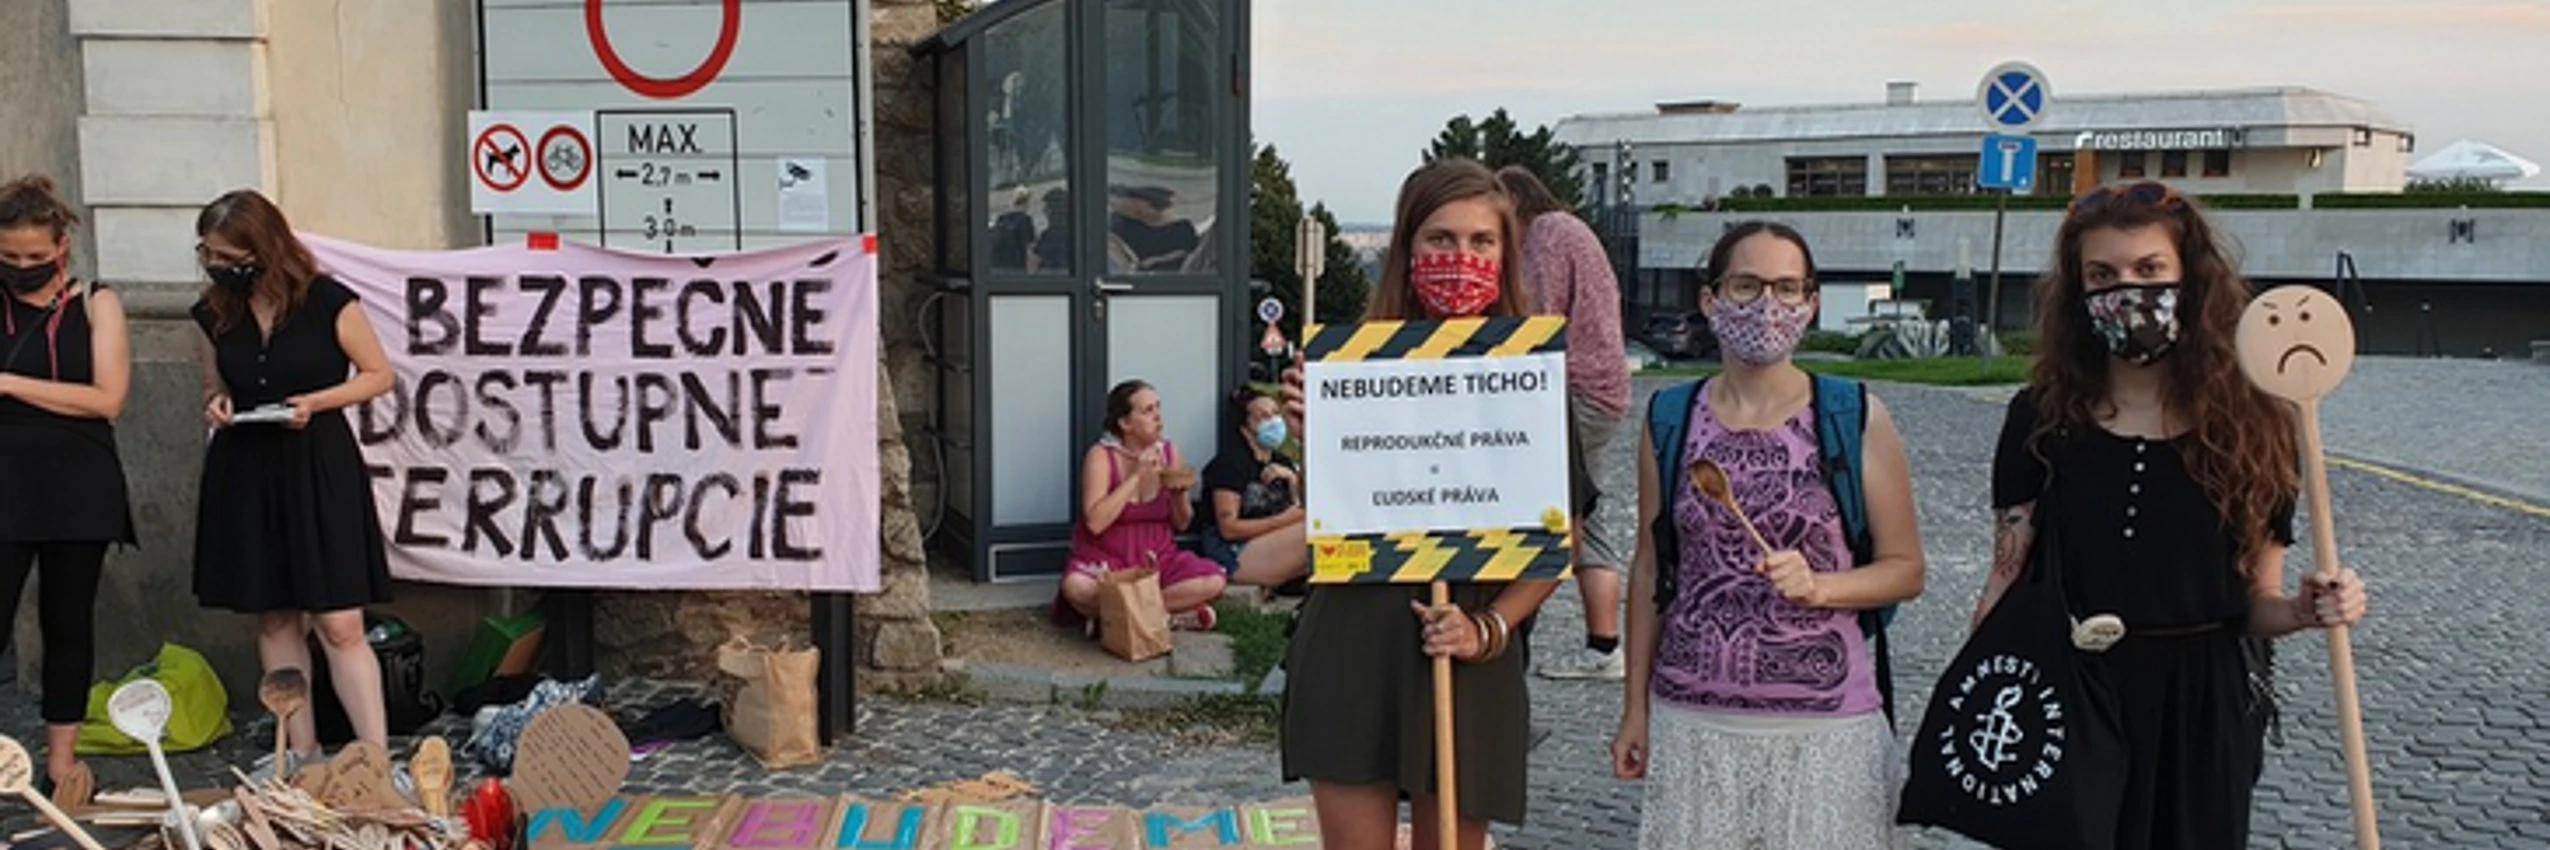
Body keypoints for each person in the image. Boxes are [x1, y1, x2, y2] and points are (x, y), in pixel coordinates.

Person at [1973, 181, 2368, 848]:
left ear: (2191, 278)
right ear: (2078, 292)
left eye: (2149, 270)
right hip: (2075, 693)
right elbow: (2005, 582)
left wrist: (2305, 610)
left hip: (2205, 707)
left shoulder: (2258, 423)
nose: (2126, 289)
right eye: (2102, 274)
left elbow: (2257, 602)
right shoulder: (2040, 418)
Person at [1261, 158, 1554, 850]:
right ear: (1408, 248)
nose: (1462, 258)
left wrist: (1486, 630)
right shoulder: (1349, 367)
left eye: (1482, 242)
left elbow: (1552, 548)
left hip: (1464, 652)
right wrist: (1316, 436)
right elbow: (1334, 519)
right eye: (1441, 240)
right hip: (1353, 646)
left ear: (1506, 254)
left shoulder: (1532, 378)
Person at [1609, 222, 1926, 849]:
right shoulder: (1670, 417)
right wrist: (1636, 708)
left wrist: (1823, 586)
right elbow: (1650, 569)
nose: (1768, 306)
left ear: (1810, 303)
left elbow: (1905, 568)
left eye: (1787, 288)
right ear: (1711, 299)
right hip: (1693, 721)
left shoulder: (1854, 416)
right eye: (1747, 285)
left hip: (1827, 731)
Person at [190, 189, 399, 759]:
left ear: (265, 248)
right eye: (211, 255)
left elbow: (378, 375)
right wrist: (216, 402)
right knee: (275, 615)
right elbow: (216, 384)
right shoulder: (214, 312)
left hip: (316, 461)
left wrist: (318, 401)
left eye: (233, 257)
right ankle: (299, 753)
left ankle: (372, 755)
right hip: (247, 467)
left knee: (340, 622)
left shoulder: (327, 301)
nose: (221, 267)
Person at [0, 175, 134, 791]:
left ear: (62, 248)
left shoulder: (95, 302)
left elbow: (107, 398)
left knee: (69, 620)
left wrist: (8, 384)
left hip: (78, 479)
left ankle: (61, 762)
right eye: (9, 258)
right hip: (7, 476)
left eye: (35, 257)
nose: (23, 268)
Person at [1495, 166, 1634, 682]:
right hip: (1603, 388)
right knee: (1587, 512)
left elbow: (1538, 316)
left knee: (1536, 513)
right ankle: (1604, 647)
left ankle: (1508, 629)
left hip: (1571, 391)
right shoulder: (1574, 229)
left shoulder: (1548, 233)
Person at [1054, 379, 1228, 632]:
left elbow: (1182, 523)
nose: (1158, 417)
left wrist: (1179, 495)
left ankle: (1115, 620)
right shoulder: (1101, 456)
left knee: (1214, 581)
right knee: (1077, 588)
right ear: (1125, 424)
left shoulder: (1170, 453)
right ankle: (1166, 618)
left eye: (1158, 408)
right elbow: (1095, 522)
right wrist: (1135, 477)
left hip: (1157, 557)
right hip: (1107, 557)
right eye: (1148, 411)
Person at [1198, 388, 1304, 587]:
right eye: (1264, 416)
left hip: (1272, 541)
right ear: (1245, 428)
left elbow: (1299, 508)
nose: (1274, 421)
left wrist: (1292, 478)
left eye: (1275, 413)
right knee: (1310, 533)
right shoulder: (1229, 465)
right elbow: (1228, 529)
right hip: (1234, 551)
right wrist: (1282, 520)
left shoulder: (1283, 463)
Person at [1107, 185, 1199, 271]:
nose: (1134, 213)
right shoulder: (1123, 227)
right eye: (1127, 212)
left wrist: (1158, 260)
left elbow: (1190, 252)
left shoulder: (1182, 227)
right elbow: (1127, 263)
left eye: (1137, 210)